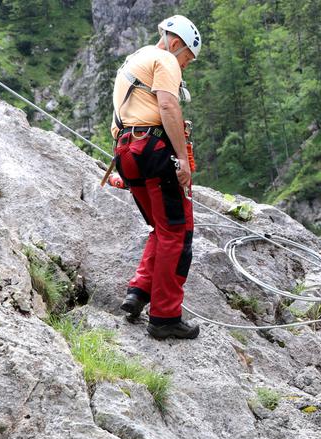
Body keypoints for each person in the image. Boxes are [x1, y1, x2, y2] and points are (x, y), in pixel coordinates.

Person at [111, 15, 202, 340]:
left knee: (161, 229)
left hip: (126, 150)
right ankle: (165, 317)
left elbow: (118, 121)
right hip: (154, 151)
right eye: (187, 60)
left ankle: (138, 292)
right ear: (177, 43)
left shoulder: (132, 63)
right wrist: (181, 159)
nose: (185, 67)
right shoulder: (164, 58)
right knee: (178, 233)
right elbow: (167, 106)